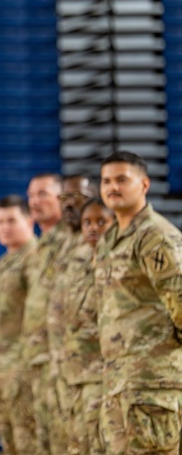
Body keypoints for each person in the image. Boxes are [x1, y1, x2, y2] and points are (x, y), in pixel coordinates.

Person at [95, 151, 182, 453]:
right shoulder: (110, 240)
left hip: (152, 384)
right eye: (106, 181)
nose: (112, 187)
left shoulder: (155, 235)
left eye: (122, 179)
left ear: (144, 185)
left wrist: (164, 360)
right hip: (118, 381)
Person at [50, 198, 110, 454]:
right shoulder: (79, 262)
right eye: (87, 223)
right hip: (74, 373)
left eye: (101, 222)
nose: (93, 228)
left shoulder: (123, 261)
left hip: (104, 375)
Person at [22, 172, 76, 455]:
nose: (34, 200)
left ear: (62, 199)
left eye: (43, 193)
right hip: (40, 362)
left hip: (66, 364)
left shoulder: (72, 240)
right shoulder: (39, 247)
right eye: (31, 195)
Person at [0, 195, 37, 454]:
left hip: (25, 372)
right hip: (1, 371)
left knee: (31, 445)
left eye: (11, 220)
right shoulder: (1, 265)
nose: (4, 227)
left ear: (29, 221)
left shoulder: (37, 259)